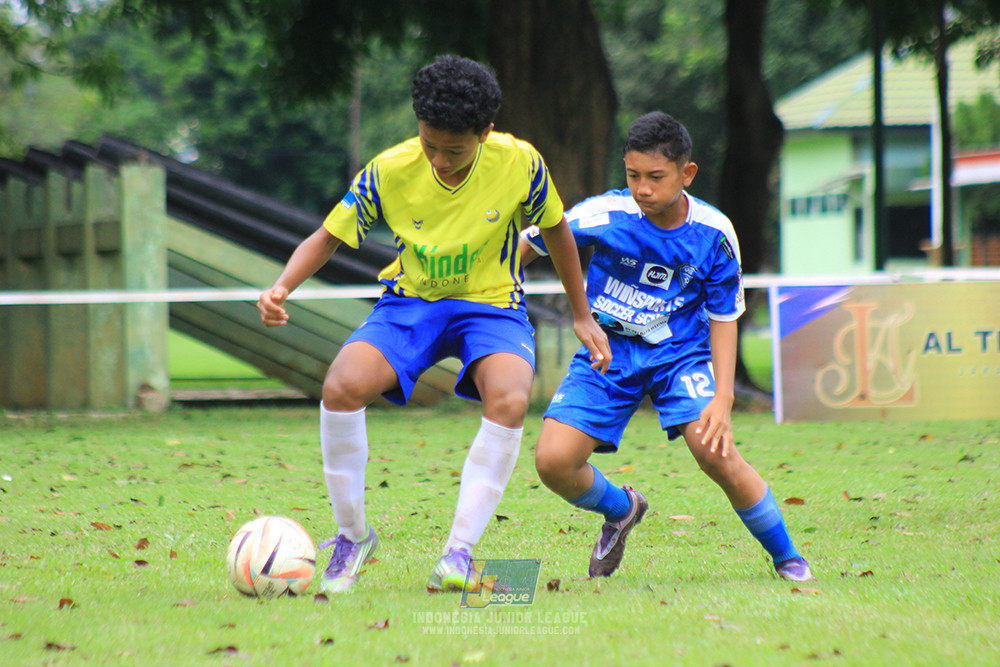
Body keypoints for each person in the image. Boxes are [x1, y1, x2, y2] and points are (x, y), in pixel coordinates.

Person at [257, 55, 610, 594]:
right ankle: (352, 537)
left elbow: (557, 231)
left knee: (511, 399)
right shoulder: (389, 169)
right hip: (411, 304)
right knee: (341, 386)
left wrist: (581, 314)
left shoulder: (521, 163)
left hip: (492, 305)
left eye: (456, 150)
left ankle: (459, 554)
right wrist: (283, 286)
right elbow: (328, 235)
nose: (441, 161)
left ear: (485, 133)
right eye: (430, 145)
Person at [520, 111, 813, 582]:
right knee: (553, 463)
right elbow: (533, 241)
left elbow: (724, 317)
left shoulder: (714, 234)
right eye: (633, 175)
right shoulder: (607, 213)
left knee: (714, 452)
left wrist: (723, 398)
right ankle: (621, 508)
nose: (642, 188)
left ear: (687, 174)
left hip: (681, 356)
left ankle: (787, 556)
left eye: (656, 177)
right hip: (608, 351)